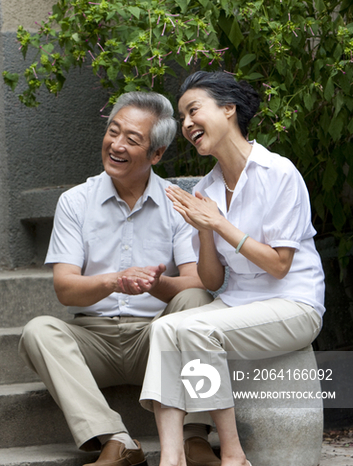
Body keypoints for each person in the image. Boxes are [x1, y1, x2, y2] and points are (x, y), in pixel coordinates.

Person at [19, 91, 218, 466]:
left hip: (156, 339)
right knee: (39, 331)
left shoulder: (178, 204)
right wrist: (115, 281)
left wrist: (153, 285)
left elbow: (198, 281)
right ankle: (117, 439)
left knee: (197, 304)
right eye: (113, 132)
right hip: (95, 338)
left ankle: (194, 436)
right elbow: (65, 289)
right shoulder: (76, 201)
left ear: (156, 154)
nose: (117, 144)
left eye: (132, 139)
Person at [139, 71, 325, 466]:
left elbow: (279, 265)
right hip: (239, 304)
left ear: (228, 109)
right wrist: (205, 232)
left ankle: (234, 454)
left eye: (194, 111)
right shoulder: (205, 189)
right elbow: (213, 281)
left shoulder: (279, 173)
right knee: (165, 329)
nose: (187, 125)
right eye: (183, 118)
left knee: (195, 328)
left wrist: (219, 224)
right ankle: (172, 458)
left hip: (294, 304)